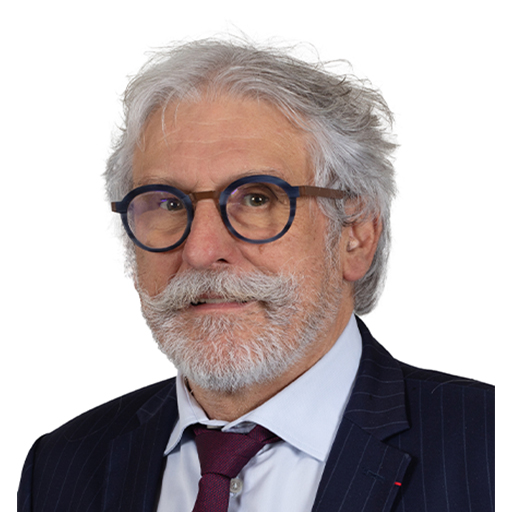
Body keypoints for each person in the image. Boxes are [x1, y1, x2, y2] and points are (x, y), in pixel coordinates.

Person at [18, 39, 494, 512]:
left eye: (257, 199)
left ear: (356, 235)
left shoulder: (487, 449)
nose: (201, 251)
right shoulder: (61, 468)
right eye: (167, 203)